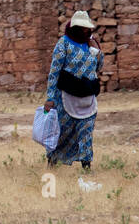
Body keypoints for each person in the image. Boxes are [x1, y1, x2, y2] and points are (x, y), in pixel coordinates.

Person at [44, 10, 104, 170]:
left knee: (86, 132)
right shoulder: (63, 43)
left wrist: (97, 52)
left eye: (87, 27)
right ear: (75, 27)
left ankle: (86, 166)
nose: (85, 30)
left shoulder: (91, 43)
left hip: (87, 95)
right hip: (66, 95)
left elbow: (99, 67)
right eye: (82, 27)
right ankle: (53, 161)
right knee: (62, 132)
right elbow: (54, 71)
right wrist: (50, 97)